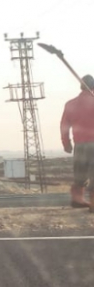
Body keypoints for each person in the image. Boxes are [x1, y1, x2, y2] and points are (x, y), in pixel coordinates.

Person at [60, 74, 94, 211]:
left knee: (80, 174)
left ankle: (77, 200)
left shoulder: (71, 104)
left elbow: (64, 125)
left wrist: (66, 143)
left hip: (79, 145)